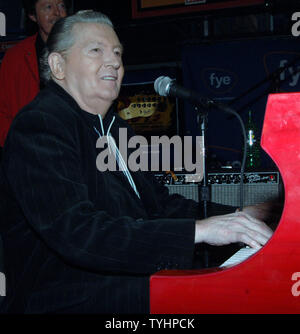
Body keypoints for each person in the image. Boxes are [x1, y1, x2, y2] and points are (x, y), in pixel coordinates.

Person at [0, 11, 274, 314]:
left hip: (120, 286)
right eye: (96, 50)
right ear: (58, 65)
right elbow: (78, 233)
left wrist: (238, 215)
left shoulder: (116, 129)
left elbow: (159, 205)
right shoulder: (41, 124)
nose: (114, 61)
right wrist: (201, 231)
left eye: (117, 52)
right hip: (65, 299)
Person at [0, 0, 68, 148]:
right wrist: (18, 145)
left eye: (61, 5)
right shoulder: (15, 57)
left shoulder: (82, 51)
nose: (57, 12)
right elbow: (2, 110)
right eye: (48, 7)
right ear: (33, 16)